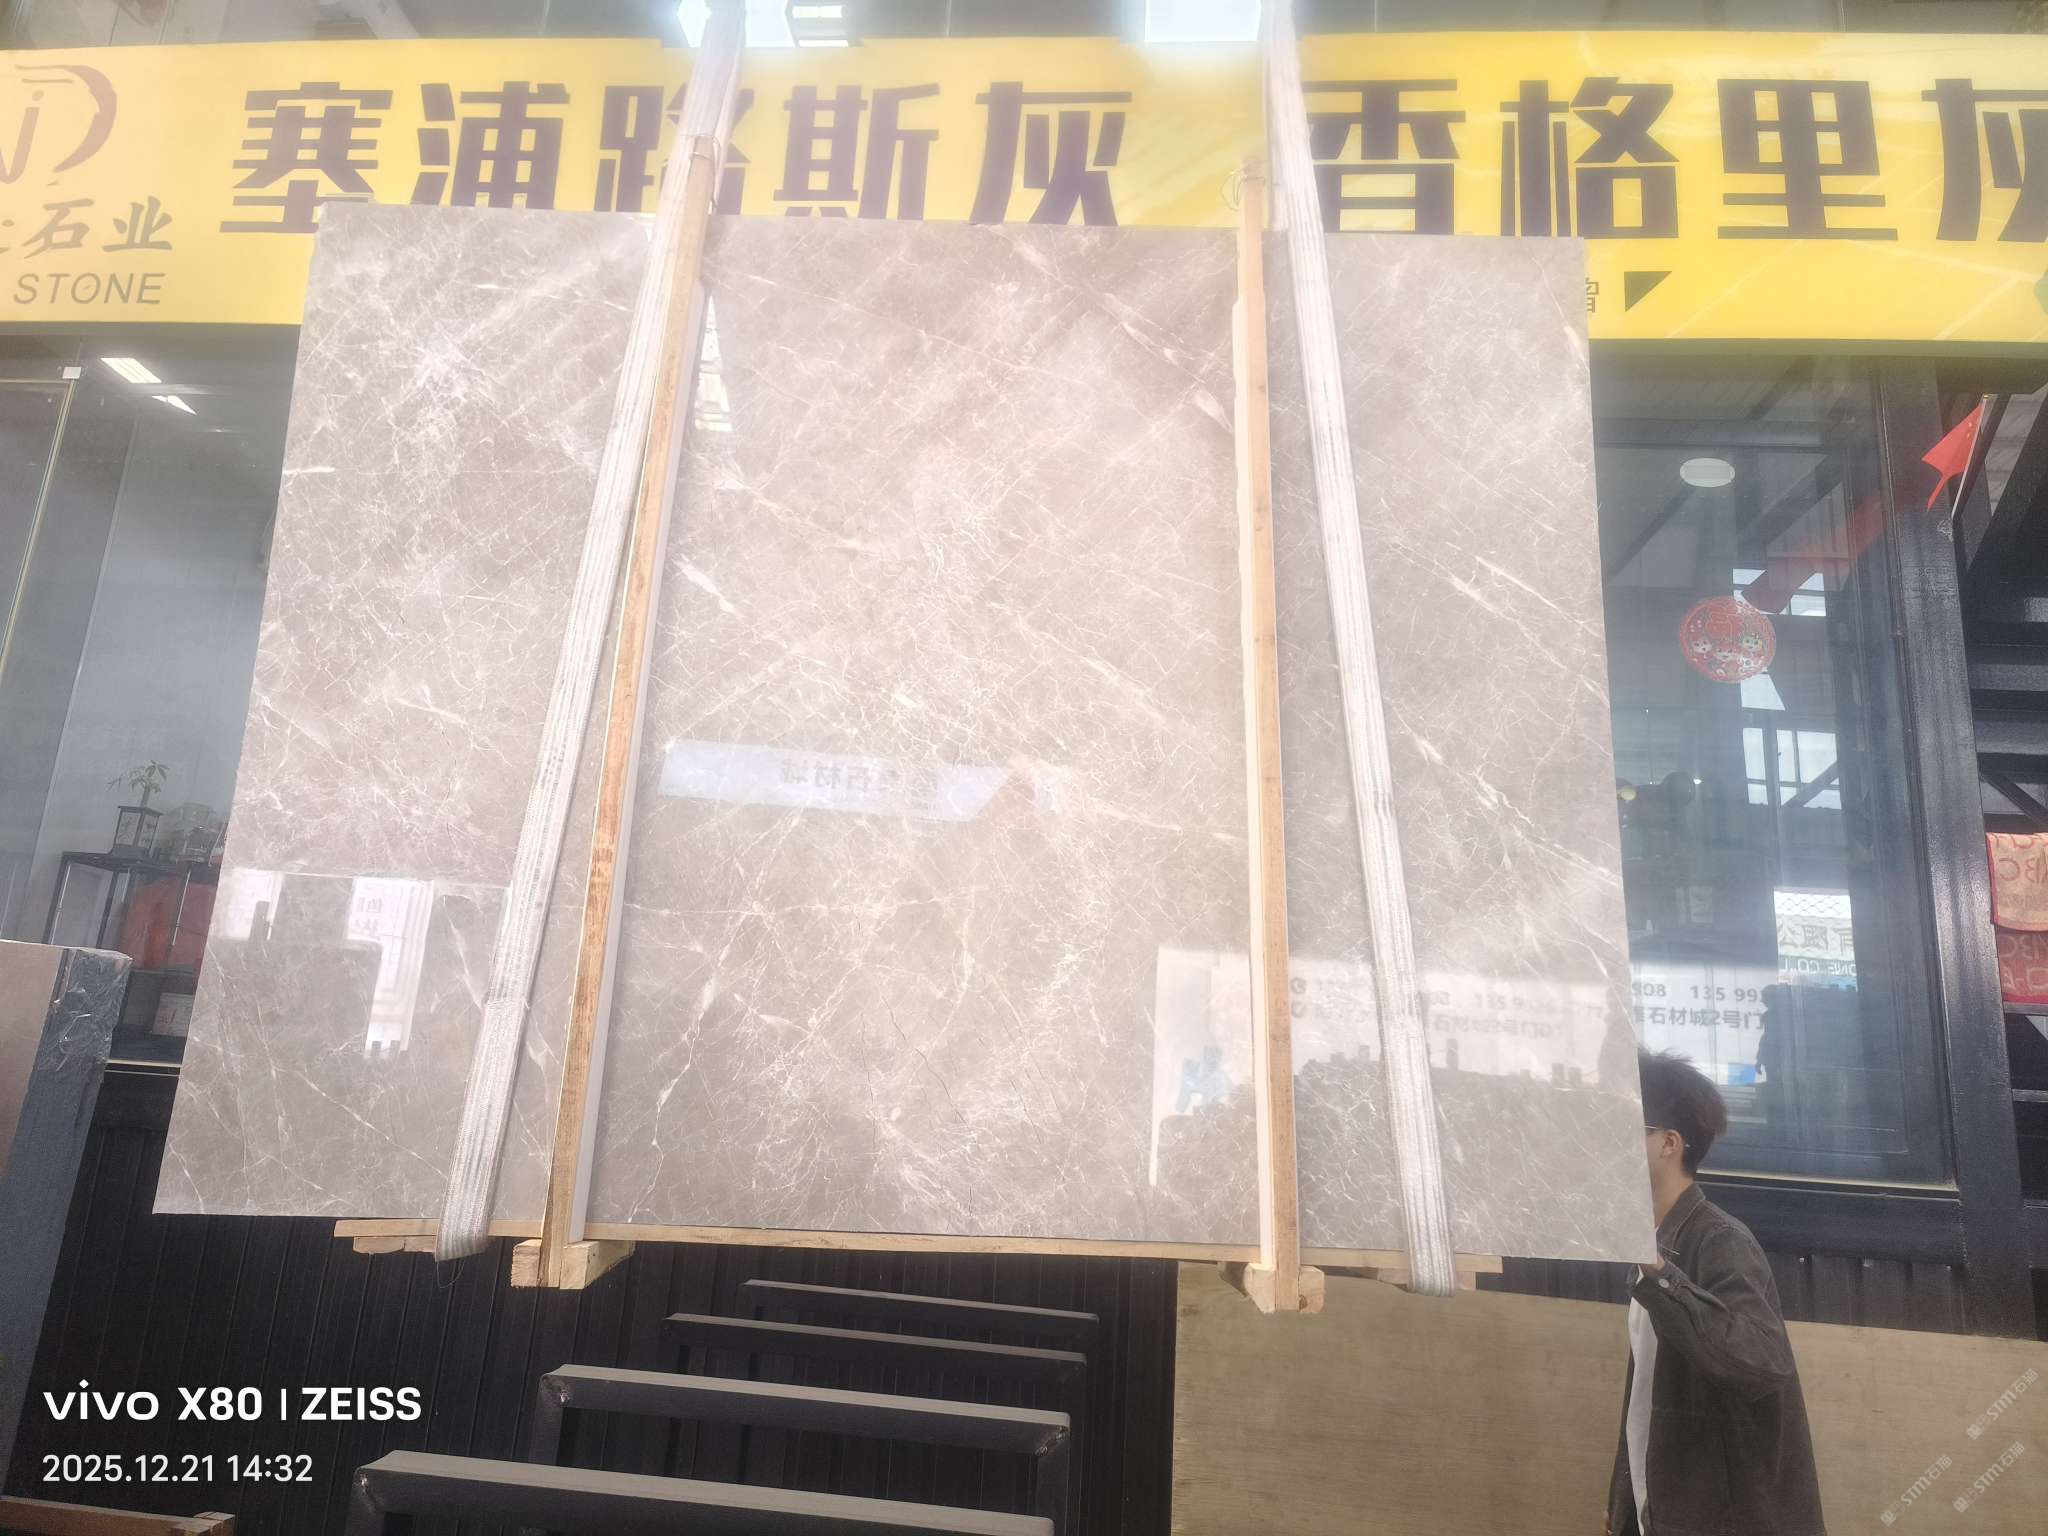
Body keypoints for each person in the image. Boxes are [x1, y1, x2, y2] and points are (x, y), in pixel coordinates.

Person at [1607, 1049, 1826, 1536]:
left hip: (1719, 1518)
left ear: (1668, 1143)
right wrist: (1622, 1503)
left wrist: (1661, 1276)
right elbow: (1644, 1392)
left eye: (1624, 1126)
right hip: (1659, 1509)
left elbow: (1761, 1361)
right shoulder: (1659, 1240)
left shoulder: (1719, 1240)